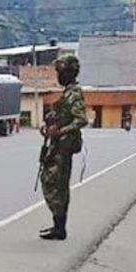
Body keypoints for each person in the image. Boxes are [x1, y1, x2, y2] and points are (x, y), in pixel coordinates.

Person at [39, 54, 88, 242]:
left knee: (56, 184)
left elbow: (81, 120)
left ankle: (60, 228)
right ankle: (57, 225)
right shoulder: (68, 92)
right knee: (52, 182)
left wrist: (60, 131)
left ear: (68, 73)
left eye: (60, 72)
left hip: (64, 146)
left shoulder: (74, 93)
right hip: (58, 145)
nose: (58, 75)